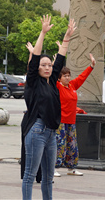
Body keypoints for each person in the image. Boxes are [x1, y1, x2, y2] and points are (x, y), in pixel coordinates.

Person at [20, 15, 75, 200]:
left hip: (52, 132)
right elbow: (35, 58)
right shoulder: (33, 81)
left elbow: (60, 57)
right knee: (30, 175)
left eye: (49, 65)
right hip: (36, 130)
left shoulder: (52, 81)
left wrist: (67, 36)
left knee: (48, 177)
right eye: (44, 65)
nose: (47, 67)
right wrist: (42, 33)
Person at [54, 52, 95, 177]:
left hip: (71, 121)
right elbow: (53, 73)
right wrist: (55, 63)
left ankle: (71, 168)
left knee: (72, 144)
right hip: (60, 120)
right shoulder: (57, 87)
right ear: (59, 78)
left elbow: (82, 77)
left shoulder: (72, 86)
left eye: (68, 75)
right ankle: (54, 167)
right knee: (59, 145)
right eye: (64, 76)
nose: (67, 78)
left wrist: (91, 66)